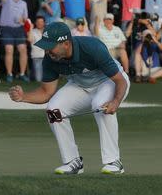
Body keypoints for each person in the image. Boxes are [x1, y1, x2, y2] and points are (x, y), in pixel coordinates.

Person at [8, 22, 130, 175]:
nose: (47, 50)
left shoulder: (92, 47)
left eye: (50, 46)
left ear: (66, 43)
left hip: (109, 81)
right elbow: (46, 92)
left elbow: (120, 81)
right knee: (54, 110)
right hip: (80, 84)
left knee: (100, 105)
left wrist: (115, 101)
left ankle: (114, 162)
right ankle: (73, 162)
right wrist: (23, 97)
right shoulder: (50, 58)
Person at [0, 0, 29, 83]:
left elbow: (25, 18)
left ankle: (22, 74)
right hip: (7, 28)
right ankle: (9, 74)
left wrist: (22, 20)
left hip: (19, 29)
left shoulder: (23, 3)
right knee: (9, 50)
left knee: (23, 49)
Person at [27, 16, 45, 82]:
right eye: (38, 22)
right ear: (35, 23)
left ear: (44, 23)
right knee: (39, 79)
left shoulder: (47, 32)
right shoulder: (33, 31)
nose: (40, 23)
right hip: (37, 57)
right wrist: (30, 28)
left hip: (47, 58)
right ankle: (32, 75)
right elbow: (29, 39)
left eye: (41, 22)